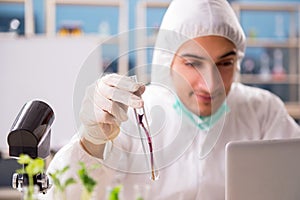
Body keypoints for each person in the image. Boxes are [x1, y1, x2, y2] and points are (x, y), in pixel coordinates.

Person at [43, 0, 300, 199]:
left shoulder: (262, 111)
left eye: (225, 62)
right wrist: (91, 145)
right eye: (192, 63)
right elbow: (62, 194)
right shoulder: (130, 114)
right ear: (168, 61)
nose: (210, 85)